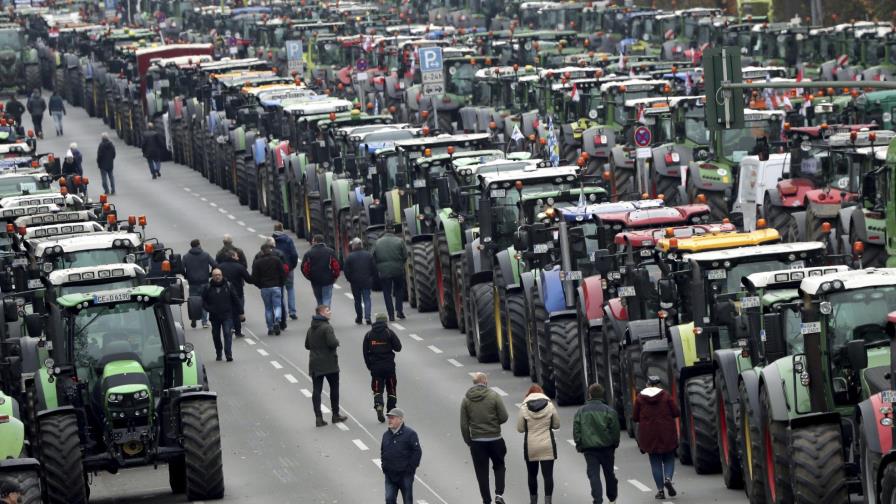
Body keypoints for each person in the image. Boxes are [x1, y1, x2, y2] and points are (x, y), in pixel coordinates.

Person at [460, 372, 509, 504]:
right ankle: (499, 494)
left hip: (477, 442)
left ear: (474, 383)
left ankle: (486, 500)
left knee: (481, 472)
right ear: (485, 381)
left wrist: (469, 440)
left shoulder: (466, 400)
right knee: (499, 466)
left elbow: (464, 424)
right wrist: (494, 423)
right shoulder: (494, 396)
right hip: (495, 439)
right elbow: (504, 416)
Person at [633, 375, 680, 500]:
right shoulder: (666, 396)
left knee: (655, 462)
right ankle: (668, 478)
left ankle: (660, 491)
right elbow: (676, 412)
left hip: (648, 434)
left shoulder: (640, 398)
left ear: (648, 384)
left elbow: (635, 417)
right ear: (659, 385)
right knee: (669, 458)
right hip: (666, 432)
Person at [574, 383, 621, 504]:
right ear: (602, 395)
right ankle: (612, 497)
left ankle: (598, 500)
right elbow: (615, 430)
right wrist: (614, 443)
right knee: (609, 473)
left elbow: (577, 430)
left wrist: (579, 444)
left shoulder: (580, 411)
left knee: (593, 475)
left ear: (590, 394)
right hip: (607, 448)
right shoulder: (609, 411)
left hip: (589, 449)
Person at [305, 305, 347, 426]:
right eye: (327, 310)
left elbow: (307, 345)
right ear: (321, 313)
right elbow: (332, 343)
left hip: (315, 363)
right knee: (334, 388)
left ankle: (318, 417)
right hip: (329, 363)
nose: (330, 312)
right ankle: (335, 415)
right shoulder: (327, 327)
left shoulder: (310, 328)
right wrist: (337, 342)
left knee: (316, 390)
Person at [517, 384, 560, 504]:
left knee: (532, 475)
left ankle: (533, 501)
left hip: (531, 446)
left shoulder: (524, 407)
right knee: (548, 476)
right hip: (547, 445)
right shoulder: (550, 405)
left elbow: (520, 428)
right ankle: (548, 501)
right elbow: (556, 425)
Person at [363, 313, 402, 422]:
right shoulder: (389, 333)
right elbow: (398, 347)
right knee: (391, 389)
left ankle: (379, 405)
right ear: (385, 322)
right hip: (389, 367)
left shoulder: (369, 335)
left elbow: (365, 353)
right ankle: (391, 411)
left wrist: (369, 366)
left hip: (376, 368)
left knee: (377, 390)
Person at [380, 407, 422, 504]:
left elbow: (417, 452)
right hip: (390, 475)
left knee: (407, 500)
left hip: (405, 476)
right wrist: (384, 466)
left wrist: (410, 469)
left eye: (392, 418)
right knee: (389, 499)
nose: (389, 420)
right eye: (389, 418)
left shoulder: (410, 434)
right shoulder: (386, 435)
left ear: (400, 419)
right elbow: (383, 451)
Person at [200, 268, 243, 361]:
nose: (217, 276)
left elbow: (236, 299)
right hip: (214, 316)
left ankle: (228, 354)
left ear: (222, 275)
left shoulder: (228, 286)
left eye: (219, 274)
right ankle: (218, 352)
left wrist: (241, 312)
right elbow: (202, 301)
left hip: (227, 315)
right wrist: (208, 308)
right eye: (215, 275)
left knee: (227, 333)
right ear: (212, 276)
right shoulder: (207, 287)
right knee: (216, 335)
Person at [372, 226, 408, 321]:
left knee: (387, 293)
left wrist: (378, 267)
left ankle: (391, 315)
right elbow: (405, 256)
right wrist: (400, 264)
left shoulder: (377, 242)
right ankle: (399, 311)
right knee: (399, 290)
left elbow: (373, 256)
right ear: (394, 231)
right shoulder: (400, 241)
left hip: (384, 272)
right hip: (398, 270)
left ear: (384, 231)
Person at [251, 243, 286, 335]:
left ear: (262, 251)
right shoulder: (276, 260)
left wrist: (260, 285)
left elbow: (254, 277)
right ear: (270, 250)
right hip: (276, 286)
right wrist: (281, 283)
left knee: (268, 308)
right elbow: (282, 273)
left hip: (265, 287)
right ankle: (277, 320)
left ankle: (270, 327)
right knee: (277, 305)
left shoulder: (258, 262)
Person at [183, 239, 217, 329]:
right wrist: (210, 274)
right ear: (198, 245)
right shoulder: (205, 255)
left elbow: (181, 268)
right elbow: (215, 264)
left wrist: (186, 275)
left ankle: (193, 318)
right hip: (204, 282)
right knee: (204, 301)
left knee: (193, 302)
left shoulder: (186, 257)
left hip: (192, 283)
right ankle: (204, 322)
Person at [218, 250, 252, 338]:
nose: (238, 257)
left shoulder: (220, 267)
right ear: (232, 256)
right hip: (237, 292)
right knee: (236, 313)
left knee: (226, 312)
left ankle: (228, 329)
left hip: (223, 292)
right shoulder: (239, 267)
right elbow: (248, 279)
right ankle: (238, 331)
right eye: (236, 256)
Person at [300, 234, 340, 307]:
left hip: (315, 280)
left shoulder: (309, 253)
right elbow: (336, 266)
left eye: (312, 241)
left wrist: (309, 277)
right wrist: (335, 277)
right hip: (328, 279)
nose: (312, 242)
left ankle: (321, 314)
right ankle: (325, 314)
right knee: (327, 298)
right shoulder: (330, 252)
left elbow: (304, 268)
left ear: (315, 241)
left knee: (319, 299)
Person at [344, 237, 376, 324]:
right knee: (367, 299)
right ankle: (368, 317)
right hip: (366, 281)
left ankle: (359, 317)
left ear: (353, 246)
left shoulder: (349, 257)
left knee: (357, 300)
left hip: (355, 282)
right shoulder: (368, 255)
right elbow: (373, 268)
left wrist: (350, 279)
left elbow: (346, 270)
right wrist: (371, 277)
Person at [273, 223, 299, 321]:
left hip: (276, 270)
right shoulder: (288, 240)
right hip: (288, 269)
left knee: (280, 291)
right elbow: (294, 254)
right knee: (290, 289)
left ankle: (282, 312)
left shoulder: (271, 241)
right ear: (282, 229)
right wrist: (292, 266)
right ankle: (292, 311)